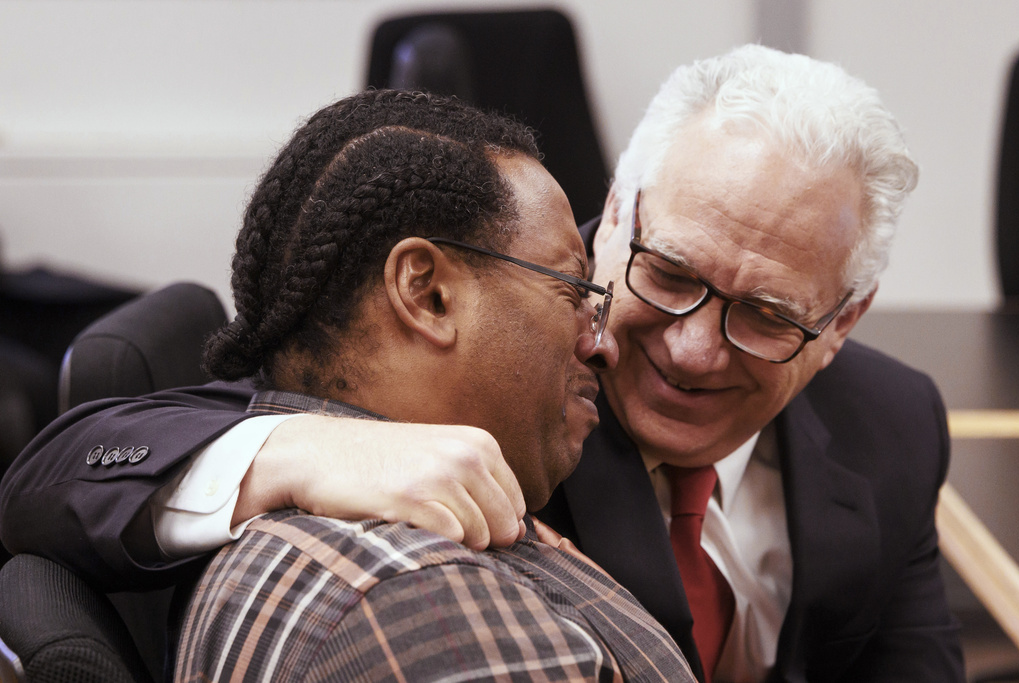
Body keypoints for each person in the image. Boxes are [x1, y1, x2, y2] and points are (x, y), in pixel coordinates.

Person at [1, 45, 965, 682]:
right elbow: (59, 469)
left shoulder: (898, 423)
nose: (690, 345)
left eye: (765, 315)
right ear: (619, 212)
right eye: (668, 274)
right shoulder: (496, 360)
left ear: (844, 320)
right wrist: (290, 446)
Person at [164, 88, 696, 681]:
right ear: (429, 294)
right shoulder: (421, 603)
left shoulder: (393, 539)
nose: (604, 344)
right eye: (573, 292)